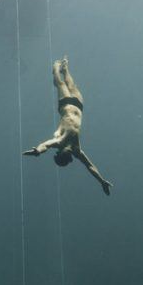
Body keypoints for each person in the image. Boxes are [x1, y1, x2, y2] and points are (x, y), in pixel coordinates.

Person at [24, 57, 113, 195]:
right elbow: (90, 166)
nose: (69, 155)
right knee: (72, 85)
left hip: (66, 105)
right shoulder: (77, 150)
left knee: (60, 83)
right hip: (78, 106)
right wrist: (101, 181)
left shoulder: (59, 141)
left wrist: (38, 151)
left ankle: (55, 67)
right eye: (69, 158)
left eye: (65, 156)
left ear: (60, 153)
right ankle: (65, 69)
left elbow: (45, 145)